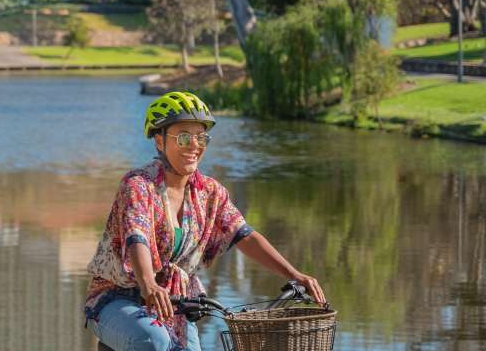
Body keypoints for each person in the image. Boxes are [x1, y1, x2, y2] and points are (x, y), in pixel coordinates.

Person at [84, 91, 327, 351]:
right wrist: (149, 284)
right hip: (118, 300)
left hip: (177, 303)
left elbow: (244, 235)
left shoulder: (209, 192)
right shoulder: (138, 186)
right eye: (184, 137)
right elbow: (137, 237)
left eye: (201, 137)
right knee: (154, 340)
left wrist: (294, 274)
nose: (194, 145)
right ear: (159, 140)